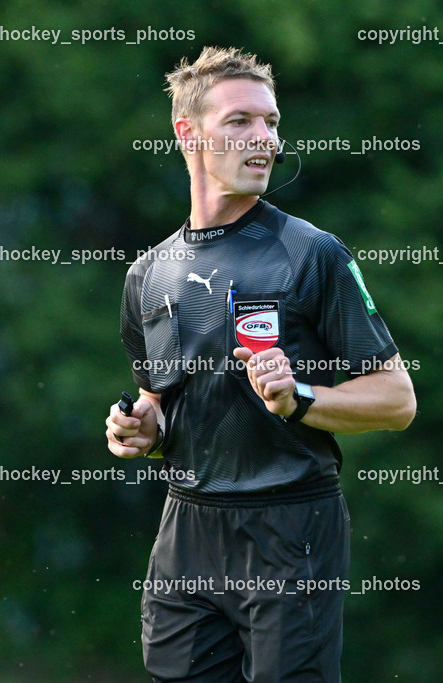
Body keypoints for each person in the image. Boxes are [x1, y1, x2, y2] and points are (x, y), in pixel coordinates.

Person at [106, 46, 416, 682]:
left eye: (271, 122)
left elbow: (397, 399)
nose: (265, 139)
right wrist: (143, 430)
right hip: (186, 530)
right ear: (188, 133)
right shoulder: (147, 274)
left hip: (291, 526)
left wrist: (300, 397)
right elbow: (161, 405)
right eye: (240, 121)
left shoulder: (312, 254)